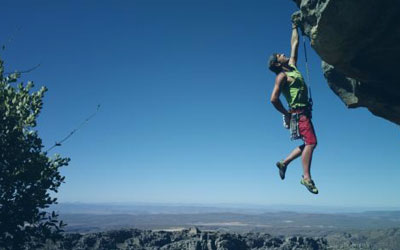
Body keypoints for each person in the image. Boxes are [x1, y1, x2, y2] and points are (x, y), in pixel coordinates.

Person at [267, 22, 318, 194]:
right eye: (279, 55)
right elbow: (273, 99)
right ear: (277, 63)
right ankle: (306, 177)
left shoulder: (293, 67)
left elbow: (294, 44)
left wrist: (293, 26)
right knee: (311, 143)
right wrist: (286, 113)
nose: (283, 54)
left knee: (309, 143)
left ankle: (284, 163)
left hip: (304, 113)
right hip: (299, 114)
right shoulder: (282, 76)